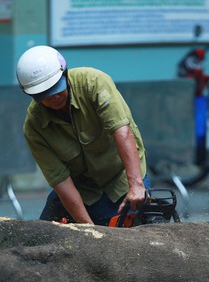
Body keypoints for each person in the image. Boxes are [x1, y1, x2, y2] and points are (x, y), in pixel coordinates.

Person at [16, 45, 150, 226]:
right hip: (81, 189)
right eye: (46, 95)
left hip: (122, 178)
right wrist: (88, 229)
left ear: (64, 74)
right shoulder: (34, 127)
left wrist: (135, 185)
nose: (54, 97)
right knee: (42, 236)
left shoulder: (94, 83)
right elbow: (60, 181)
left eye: (57, 89)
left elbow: (122, 132)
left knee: (134, 235)